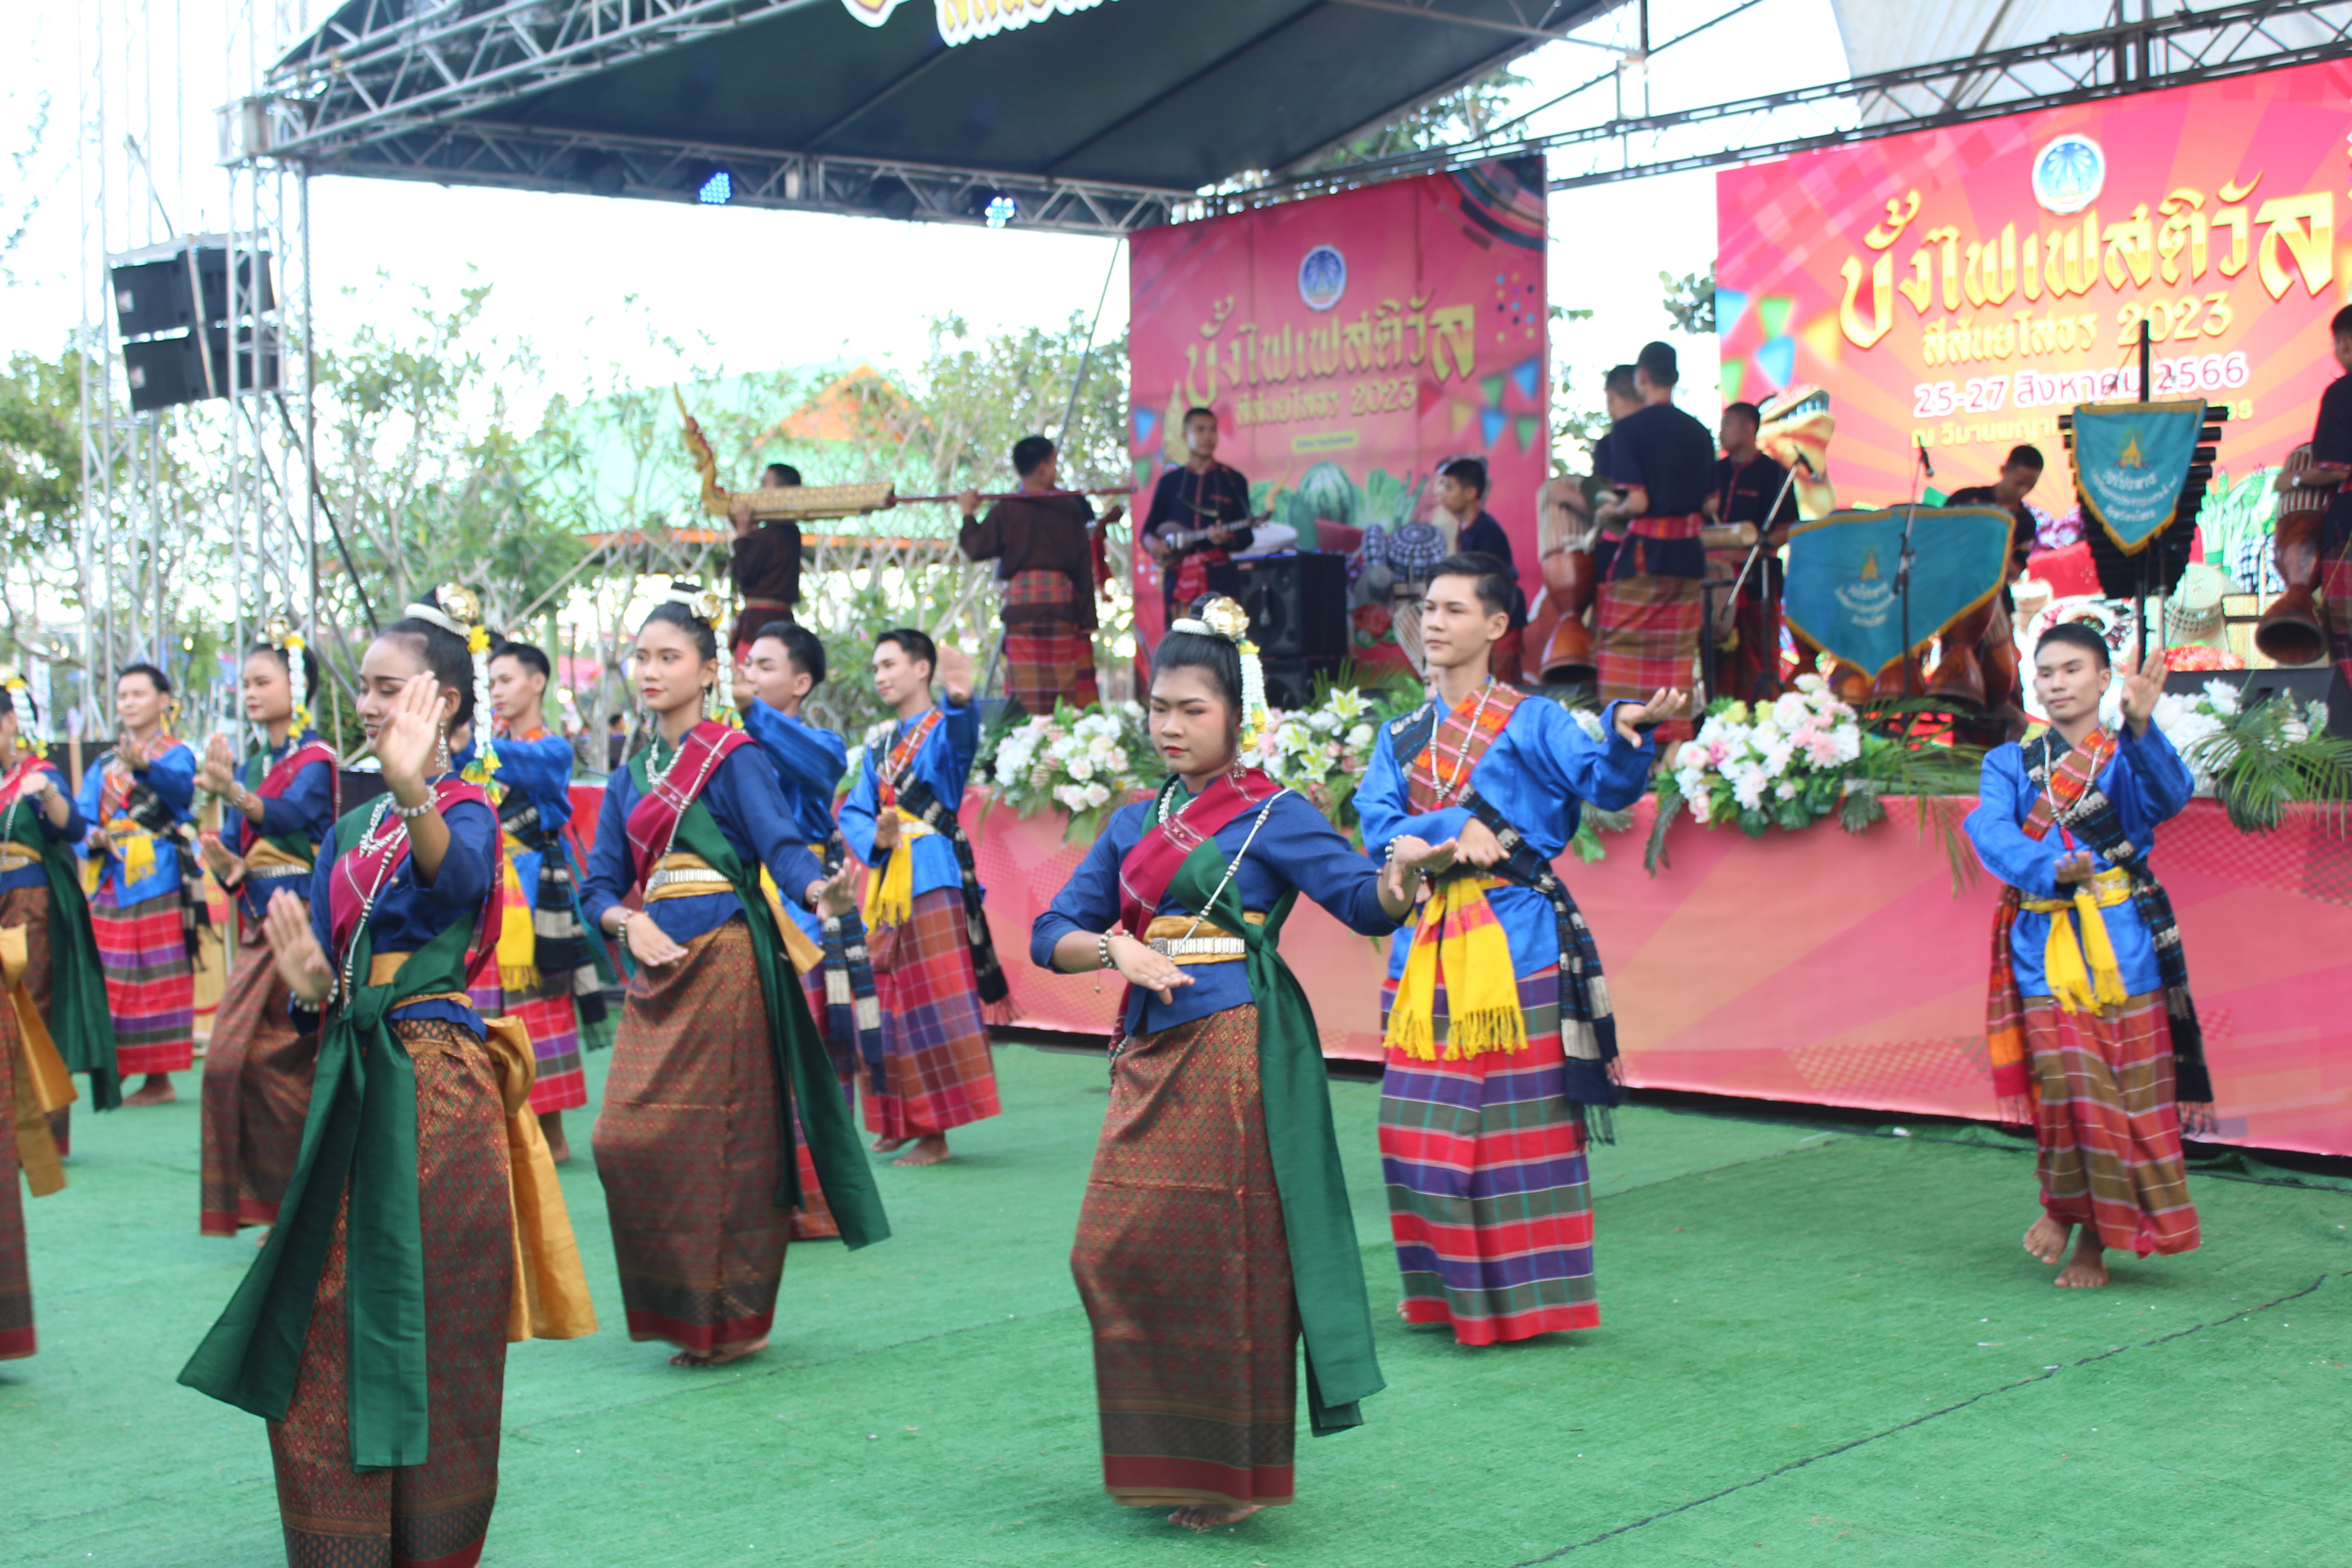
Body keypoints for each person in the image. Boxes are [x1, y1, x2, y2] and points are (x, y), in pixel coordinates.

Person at [181, 588, 598, 1567]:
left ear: (442, 701)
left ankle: (433, 1539)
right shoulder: (347, 826)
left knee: (437, 1312)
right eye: (362, 689)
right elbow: (330, 971)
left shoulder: (463, 807)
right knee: (321, 1313)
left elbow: (462, 885)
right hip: (349, 1079)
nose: (366, 705)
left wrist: (414, 789)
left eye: (386, 688)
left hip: (435, 1082)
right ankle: (344, 1542)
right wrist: (312, 987)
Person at [1031, 594, 1449, 1531]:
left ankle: (1229, 1476)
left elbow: (1361, 900)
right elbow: (1049, 931)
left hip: (1232, 1051)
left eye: (1193, 709)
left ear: (1236, 715)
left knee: (1229, 1259)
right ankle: (1171, 1455)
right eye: (1159, 708)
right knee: (1107, 1251)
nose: (1171, 726)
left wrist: (1398, 879)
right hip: (1149, 1050)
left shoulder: (1274, 815)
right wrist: (1116, 949)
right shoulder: (1132, 821)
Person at [1355, 555, 1674, 1343]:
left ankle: (1531, 1305)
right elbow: (1378, 830)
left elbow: (1605, 784)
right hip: (1424, 945)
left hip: (1518, 942)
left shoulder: (1533, 720)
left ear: (1497, 626)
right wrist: (1447, 829)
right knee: (1410, 1131)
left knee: (1516, 1135)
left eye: (1454, 610)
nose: (1433, 622)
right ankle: (1444, 1296)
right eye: (1428, 608)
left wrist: (1626, 734)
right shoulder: (1398, 736)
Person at [583, 584, 883, 1367]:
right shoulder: (629, 776)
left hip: (725, 957)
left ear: (709, 670)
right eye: (642, 658)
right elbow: (598, 887)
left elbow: (781, 846)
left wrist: (818, 892)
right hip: (656, 965)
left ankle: (729, 1322)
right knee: (621, 1139)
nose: (651, 671)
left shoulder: (734, 754)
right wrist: (627, 923)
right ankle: (682, 1308)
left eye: (669, 657)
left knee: (723, 1141)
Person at [1964, 625, 2207, 1289]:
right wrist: (2050, 869)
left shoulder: (2126, 755)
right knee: (2069, 1094)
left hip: (2126, 948)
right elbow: (1989, 829)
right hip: (2042, 947)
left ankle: (2091, 1239)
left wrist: (2141, 725)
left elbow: (2169, 798)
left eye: (2072, 669)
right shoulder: (2009, 763)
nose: (2057, 683)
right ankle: (2067, 1208)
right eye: (2045, 673)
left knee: (2121, 1099)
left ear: (2103, 680)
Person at [839, 628, 1004, 1166]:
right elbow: (854, 811)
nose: (881, 676)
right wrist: (877, 836)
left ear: (922, 669)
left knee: (930, 1003)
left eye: (890, 665)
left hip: (932, 875)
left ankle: (935, 1133)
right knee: (881, 999)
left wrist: (960, 702)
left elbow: (960, 744)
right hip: (887, 884)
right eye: (876, 668)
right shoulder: (879, 749)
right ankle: (897, 1120)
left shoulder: (940, 731)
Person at [739, 619, 879, 1241]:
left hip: (806, 914)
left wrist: (751, 713)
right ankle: (767, 1200)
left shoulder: (822, 744)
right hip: (745, 909)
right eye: (748, 664)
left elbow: (817, 767)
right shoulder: (724, 744)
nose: (751, 675)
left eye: (765, 666)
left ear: (801, 683)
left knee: (816, 1059)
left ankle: (820, 1203)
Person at [193, 637, 337, 1238]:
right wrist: (228, 865)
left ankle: (303, 1211)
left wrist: (233, 792)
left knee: (283, 1065)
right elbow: (241, 845)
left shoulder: (317, 760)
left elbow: (290, 818)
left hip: (300, 923)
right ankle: (280, 1205)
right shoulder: (255, 767)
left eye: (263, 681)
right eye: (246, 683)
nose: (250, 693)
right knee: (231, 1063)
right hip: (260, 922)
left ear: (297, 686)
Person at [480, 639, 611, 1166]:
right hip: (489, 893)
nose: (497, 691)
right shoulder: (488, 750)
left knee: (539, 1007)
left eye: (506, 679)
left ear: (537, 682)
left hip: (536, 897)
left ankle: (551, 1138)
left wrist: (467, 746)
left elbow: (526, 766)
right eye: (491, 682)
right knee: (489, 1009)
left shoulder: (551, 749)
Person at [0, 677, 95, 1358]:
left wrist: (49, 795)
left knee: (32, 1013)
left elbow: (75, 828)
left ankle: (46, 1133)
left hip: (30, 905)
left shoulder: (36, 776)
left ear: (12, 721)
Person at [75, 662, 200, 1106]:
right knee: (107, 974)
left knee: (156, 977)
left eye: (138, 694)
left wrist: (146, 767)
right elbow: (82, 815)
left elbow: (183, 792)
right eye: (123, 695)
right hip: (111, 877)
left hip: (157, 877)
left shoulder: (177, 754)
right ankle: (118, 1066)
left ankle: (158, 1079)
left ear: (163, 701)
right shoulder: (105, 764)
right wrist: (92, 836)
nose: (128, 702)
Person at [1594, 343, 1713, 747]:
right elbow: (1710, 504)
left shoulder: (1629, 430)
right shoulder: (1700, 432)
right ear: (1675, 378)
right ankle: (1676, 748)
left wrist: (1612, 511)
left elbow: (1639, 502)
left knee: (1619, 646)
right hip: (1688, 557)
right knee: (1677, 655)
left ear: (1642, 377)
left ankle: (1622, 741)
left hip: (1645, 555)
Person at [958, 434, 1117, 715]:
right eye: (1054, 463)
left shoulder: (1006, 508)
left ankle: (1029, 739)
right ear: (1044, 467)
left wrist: (968, 513)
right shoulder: (1070, 508)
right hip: (1062, 611)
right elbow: (1083, 569)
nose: (1056, 469)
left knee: (1027, 697)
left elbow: (976, 547)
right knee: (1064, 695)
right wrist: (1086, 621)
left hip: (1022, 612)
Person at [2269, 304, 2352, 676]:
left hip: (2347, 533)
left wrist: (2294, 480)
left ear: (2345, 344)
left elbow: (2335, 471)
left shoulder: (2343, 392)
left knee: (2346, 636)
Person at [1709, 401, 1799, 702]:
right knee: (1717, 656)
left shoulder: (1774, 474)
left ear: (1750, 428)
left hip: (1758, 580)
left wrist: (1750, 553)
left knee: (1757, 657)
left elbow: (1787, 529)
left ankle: (1760, 713)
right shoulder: (1715, 472)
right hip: (1716, 580)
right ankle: (1718, 715)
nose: (1722, 432)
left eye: (1729, 424)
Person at [1142, 407, 1254, 616]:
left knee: (1221, 636)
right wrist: (1155, 546)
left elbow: (1247, 536)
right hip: (1179, 579)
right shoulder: (1169, 483)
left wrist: (1227, 538)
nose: (1207, 437)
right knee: (1182, 636)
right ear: (1185, 436)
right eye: (1200, 430)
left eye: (1213, 430)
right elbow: (1147, 532)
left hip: (1220, 580)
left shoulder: (1233, 480)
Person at [1429, 458, 1528, 683]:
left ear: (1470, 493)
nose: (1443, 495)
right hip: (1483, 617)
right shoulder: (1466, 529)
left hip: (1501, 615)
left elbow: (1496, 580)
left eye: (1449, 488)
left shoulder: (1487, 530)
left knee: (1502, 684)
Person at [726, 462, 805, 657]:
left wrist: (743, 537)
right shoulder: (792, 533)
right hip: (783, 621)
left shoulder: (767, 536)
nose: (758, 491)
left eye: (764, 484)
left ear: (781, 492)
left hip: (757, 624)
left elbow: (742, 574)